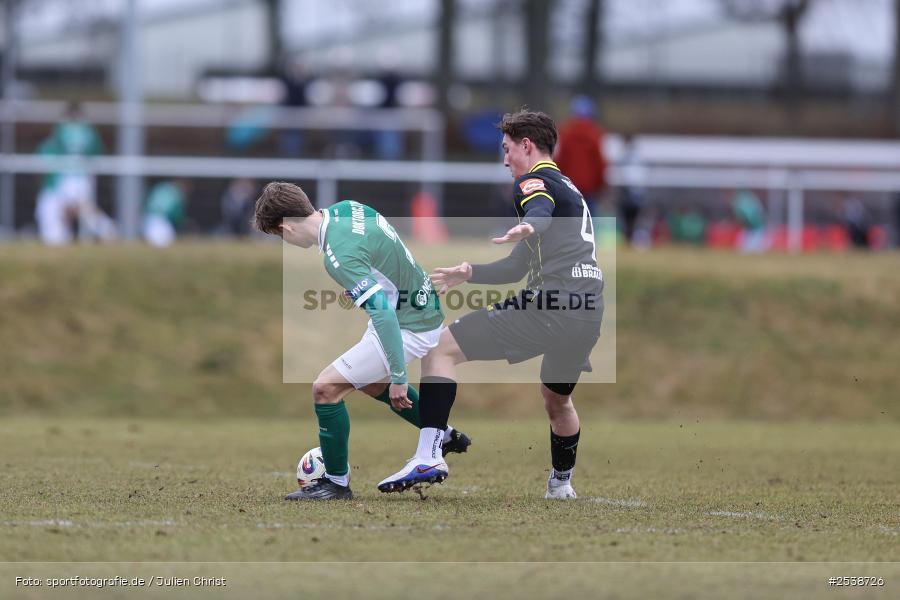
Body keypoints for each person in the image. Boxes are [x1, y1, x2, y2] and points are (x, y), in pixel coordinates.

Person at [377, 110, 604, 499]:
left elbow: (539, 211)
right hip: (588, 310)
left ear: (527, 146)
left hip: (553, 304)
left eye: (507, 149)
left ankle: (428, 454)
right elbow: (519, 265)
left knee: (440, 349)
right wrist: (471, 272)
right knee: (557, 399)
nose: (505, 160)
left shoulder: (533, 181)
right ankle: (561, 485)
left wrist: (531, 222)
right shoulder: (570, 188)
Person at [252, 182, 471, 500]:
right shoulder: (347, 208)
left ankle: (335, 484)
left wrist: (398, 377)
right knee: (368, 382)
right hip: (416, 308)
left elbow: (382, 314)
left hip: (407, 323)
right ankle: (443, 434)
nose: (286, 241)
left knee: (325, 388)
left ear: (285, 226)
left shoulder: (337, 255)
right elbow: (388, 249)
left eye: (280, 236)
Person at [35, 101, 116, 245]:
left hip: (68, 174)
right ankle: (105, 231)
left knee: (78, 209)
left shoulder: (61, 128)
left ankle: (108, 231)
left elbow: (50, 151)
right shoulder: (89, 130)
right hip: (82, 175)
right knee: (74, 209)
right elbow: (97, 151)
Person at [553, 95, 608, 222]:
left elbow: (560, 161)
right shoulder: (596, 134)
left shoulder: (565, 133)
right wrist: (600, 186)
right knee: (587, 226)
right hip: (589, 190)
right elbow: (600, 164)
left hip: (568, 188)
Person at [143, 179, 190, 247]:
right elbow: (176, 214)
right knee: (165, 241)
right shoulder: (175, 193)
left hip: (148, 218)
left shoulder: (159, 188)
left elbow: (145, 203)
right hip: (160, 220)